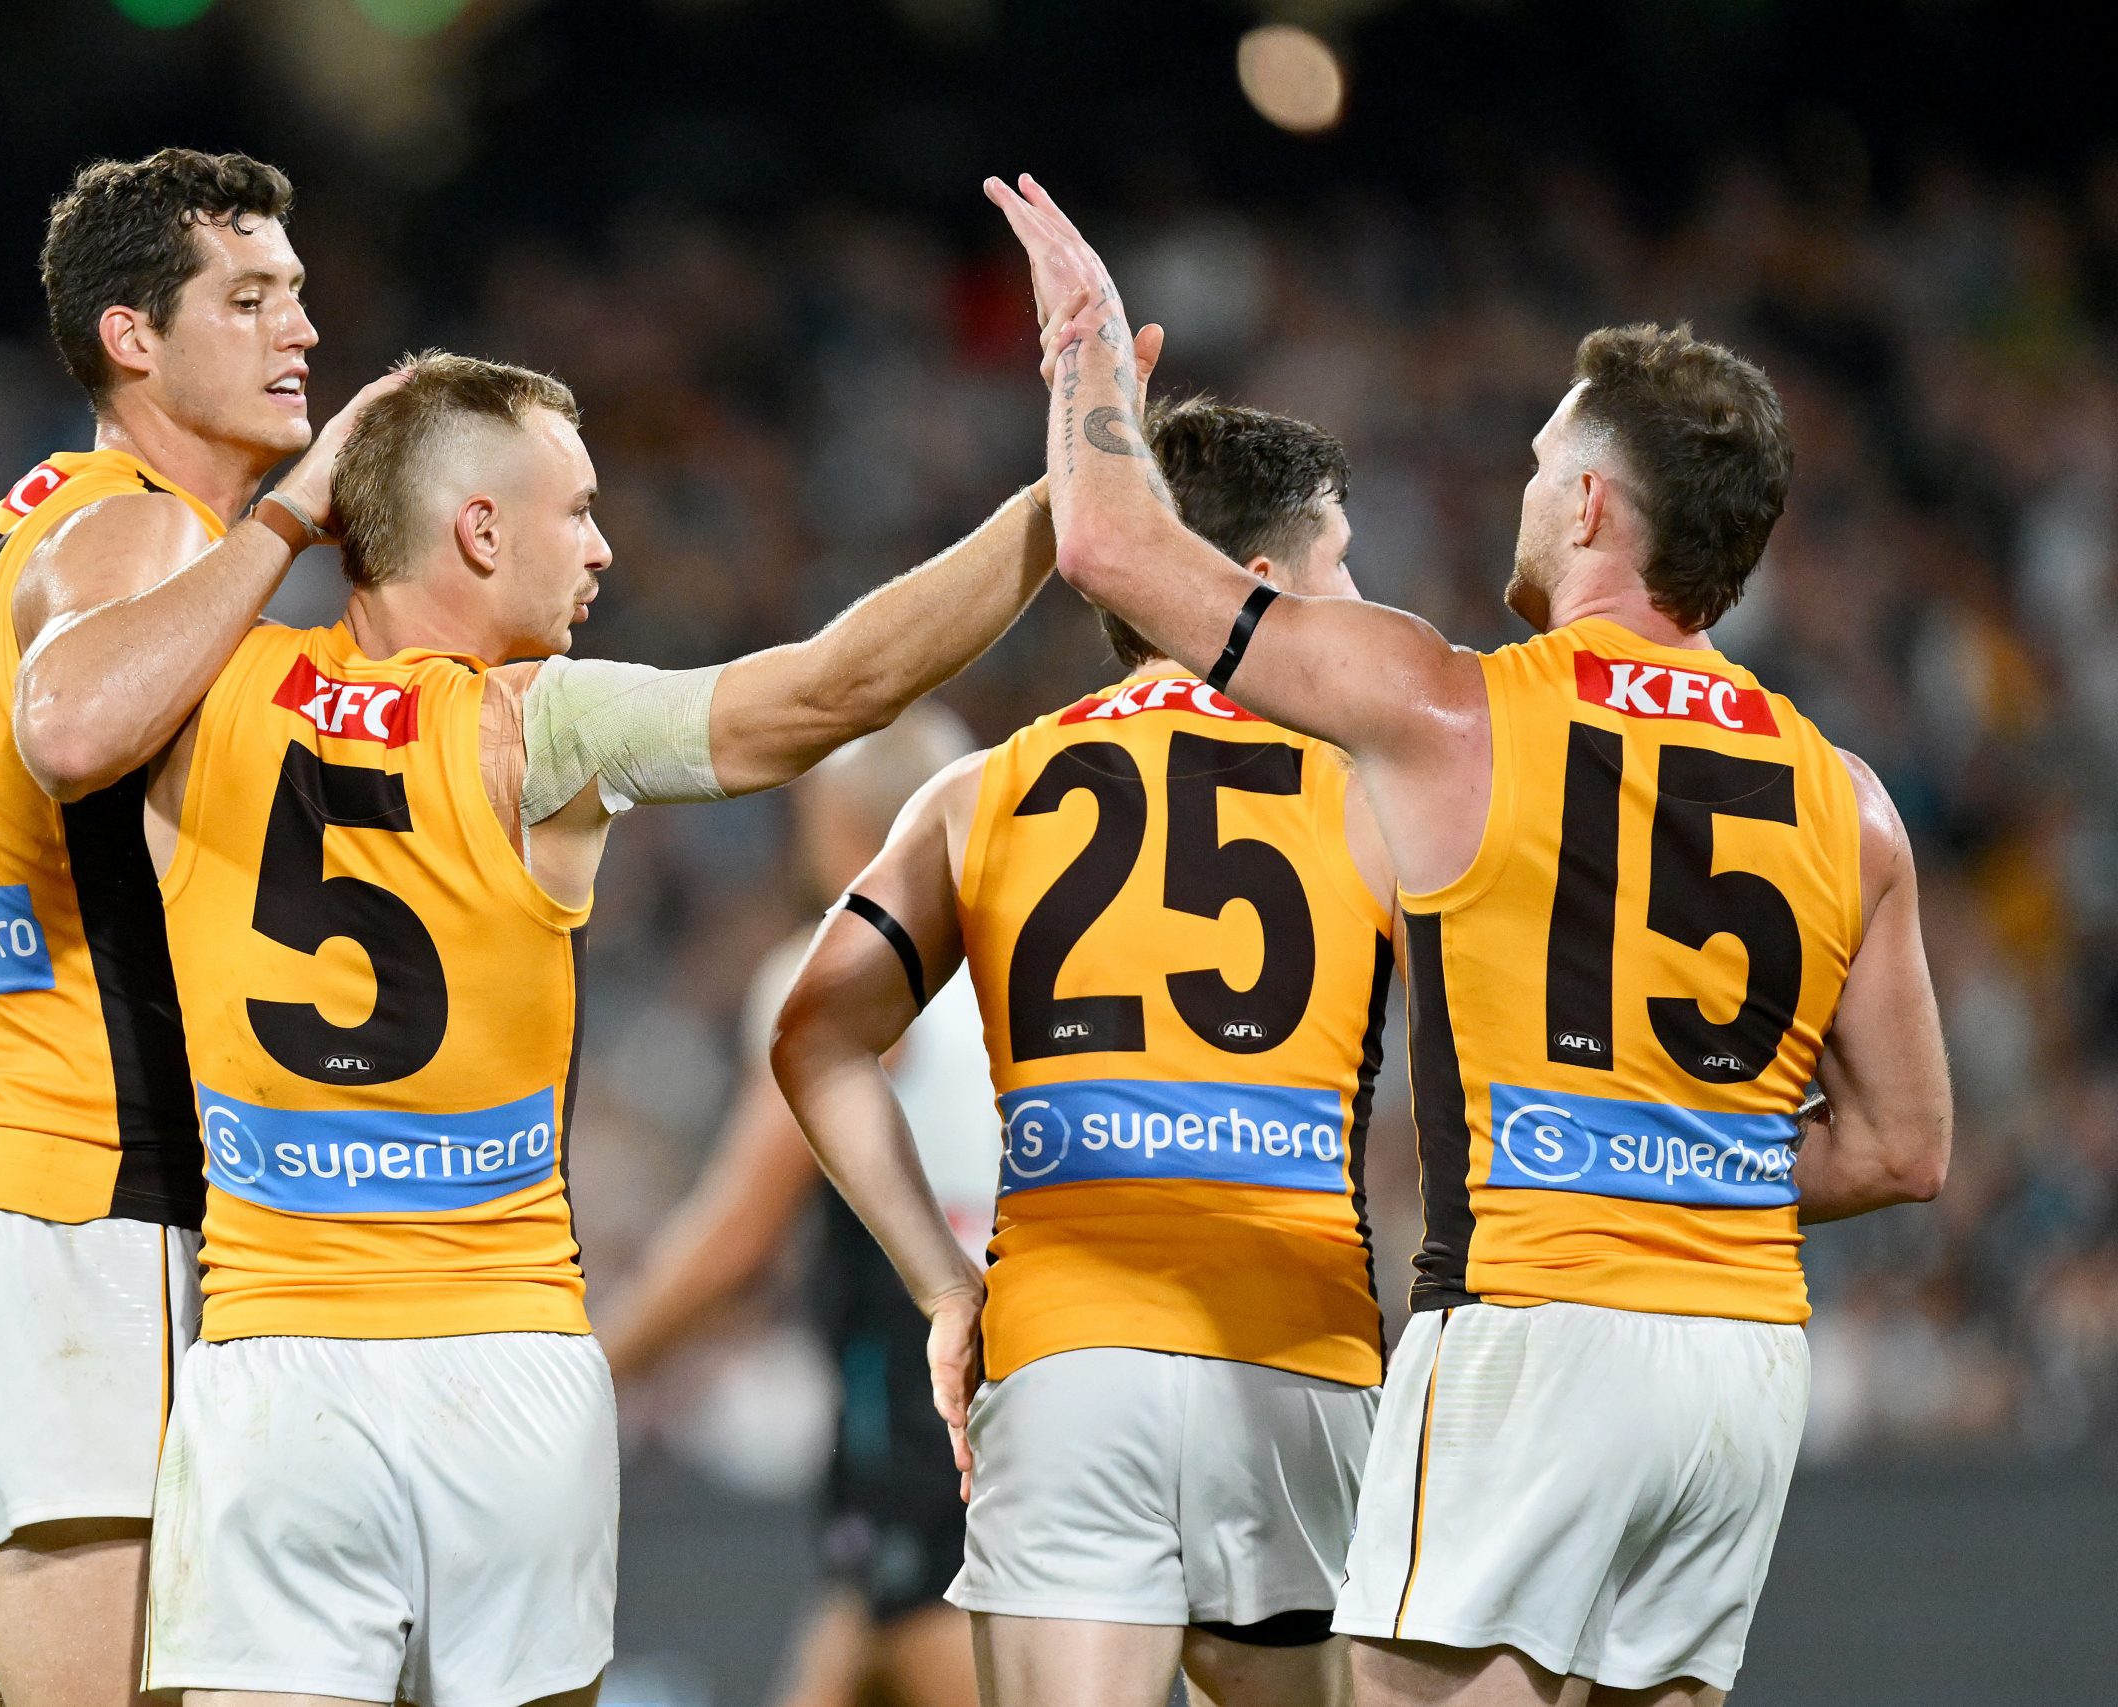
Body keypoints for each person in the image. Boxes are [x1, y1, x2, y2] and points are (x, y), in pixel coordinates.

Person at [986, 174, 1952, 1707]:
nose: (1520, 485)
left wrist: (1088, 348)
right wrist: (1679, 1159)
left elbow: (1113, 550)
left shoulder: (1459, 710)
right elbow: (1904, 1148)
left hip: (1531, 1331)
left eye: (1539, 459)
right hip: (1741, 1372)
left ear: (1588, 507)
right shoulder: (1854, 798)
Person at [133, 344, 1149, 1707]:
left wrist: (278, 512)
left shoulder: (200, 698)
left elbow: (63, 709)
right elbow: (831, 689)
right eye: (578, 509)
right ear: (479, 531)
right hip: (503, 1363)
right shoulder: (536, 725)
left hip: (274, 1361)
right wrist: (1059, 498)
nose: (604, 546)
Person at [0, 147, 407, 1707]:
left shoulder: (23, 518)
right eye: (247, 299)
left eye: (297, 291)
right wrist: (287, 526)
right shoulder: (149, 528)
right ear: (131, 337)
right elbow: (73, 722)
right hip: (81, 1198)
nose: (298, 327)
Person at [773, 398, 1393, 1707]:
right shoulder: (1377, 791)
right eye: (1340, 563)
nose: (1359, 597)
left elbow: (814, 1034)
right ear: (1263, 587)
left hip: (1063, 1361)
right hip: (1296, 1346)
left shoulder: (977, 790)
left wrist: (946, 1288)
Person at [598, 708, 999, 1707]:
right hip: (1033, 1375)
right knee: (848, 1658)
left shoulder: (844, 971)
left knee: (912, 1650)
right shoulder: (1032, 968)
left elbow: (736, 1238)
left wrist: (583, 1374)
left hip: (923, 1410)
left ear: (838, 827)